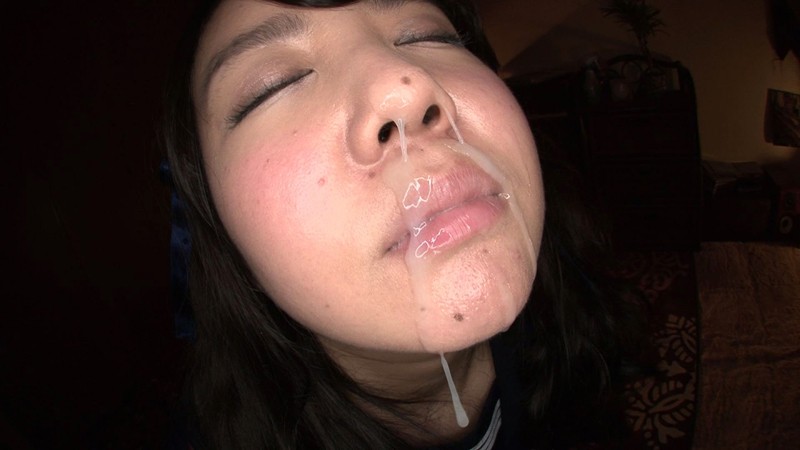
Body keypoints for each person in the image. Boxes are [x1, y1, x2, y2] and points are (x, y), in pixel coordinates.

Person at [163, 1, 647, 448]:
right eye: (274, 84)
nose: (404, 90)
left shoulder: (580, 309)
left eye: (425, 35)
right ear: (218, 230)